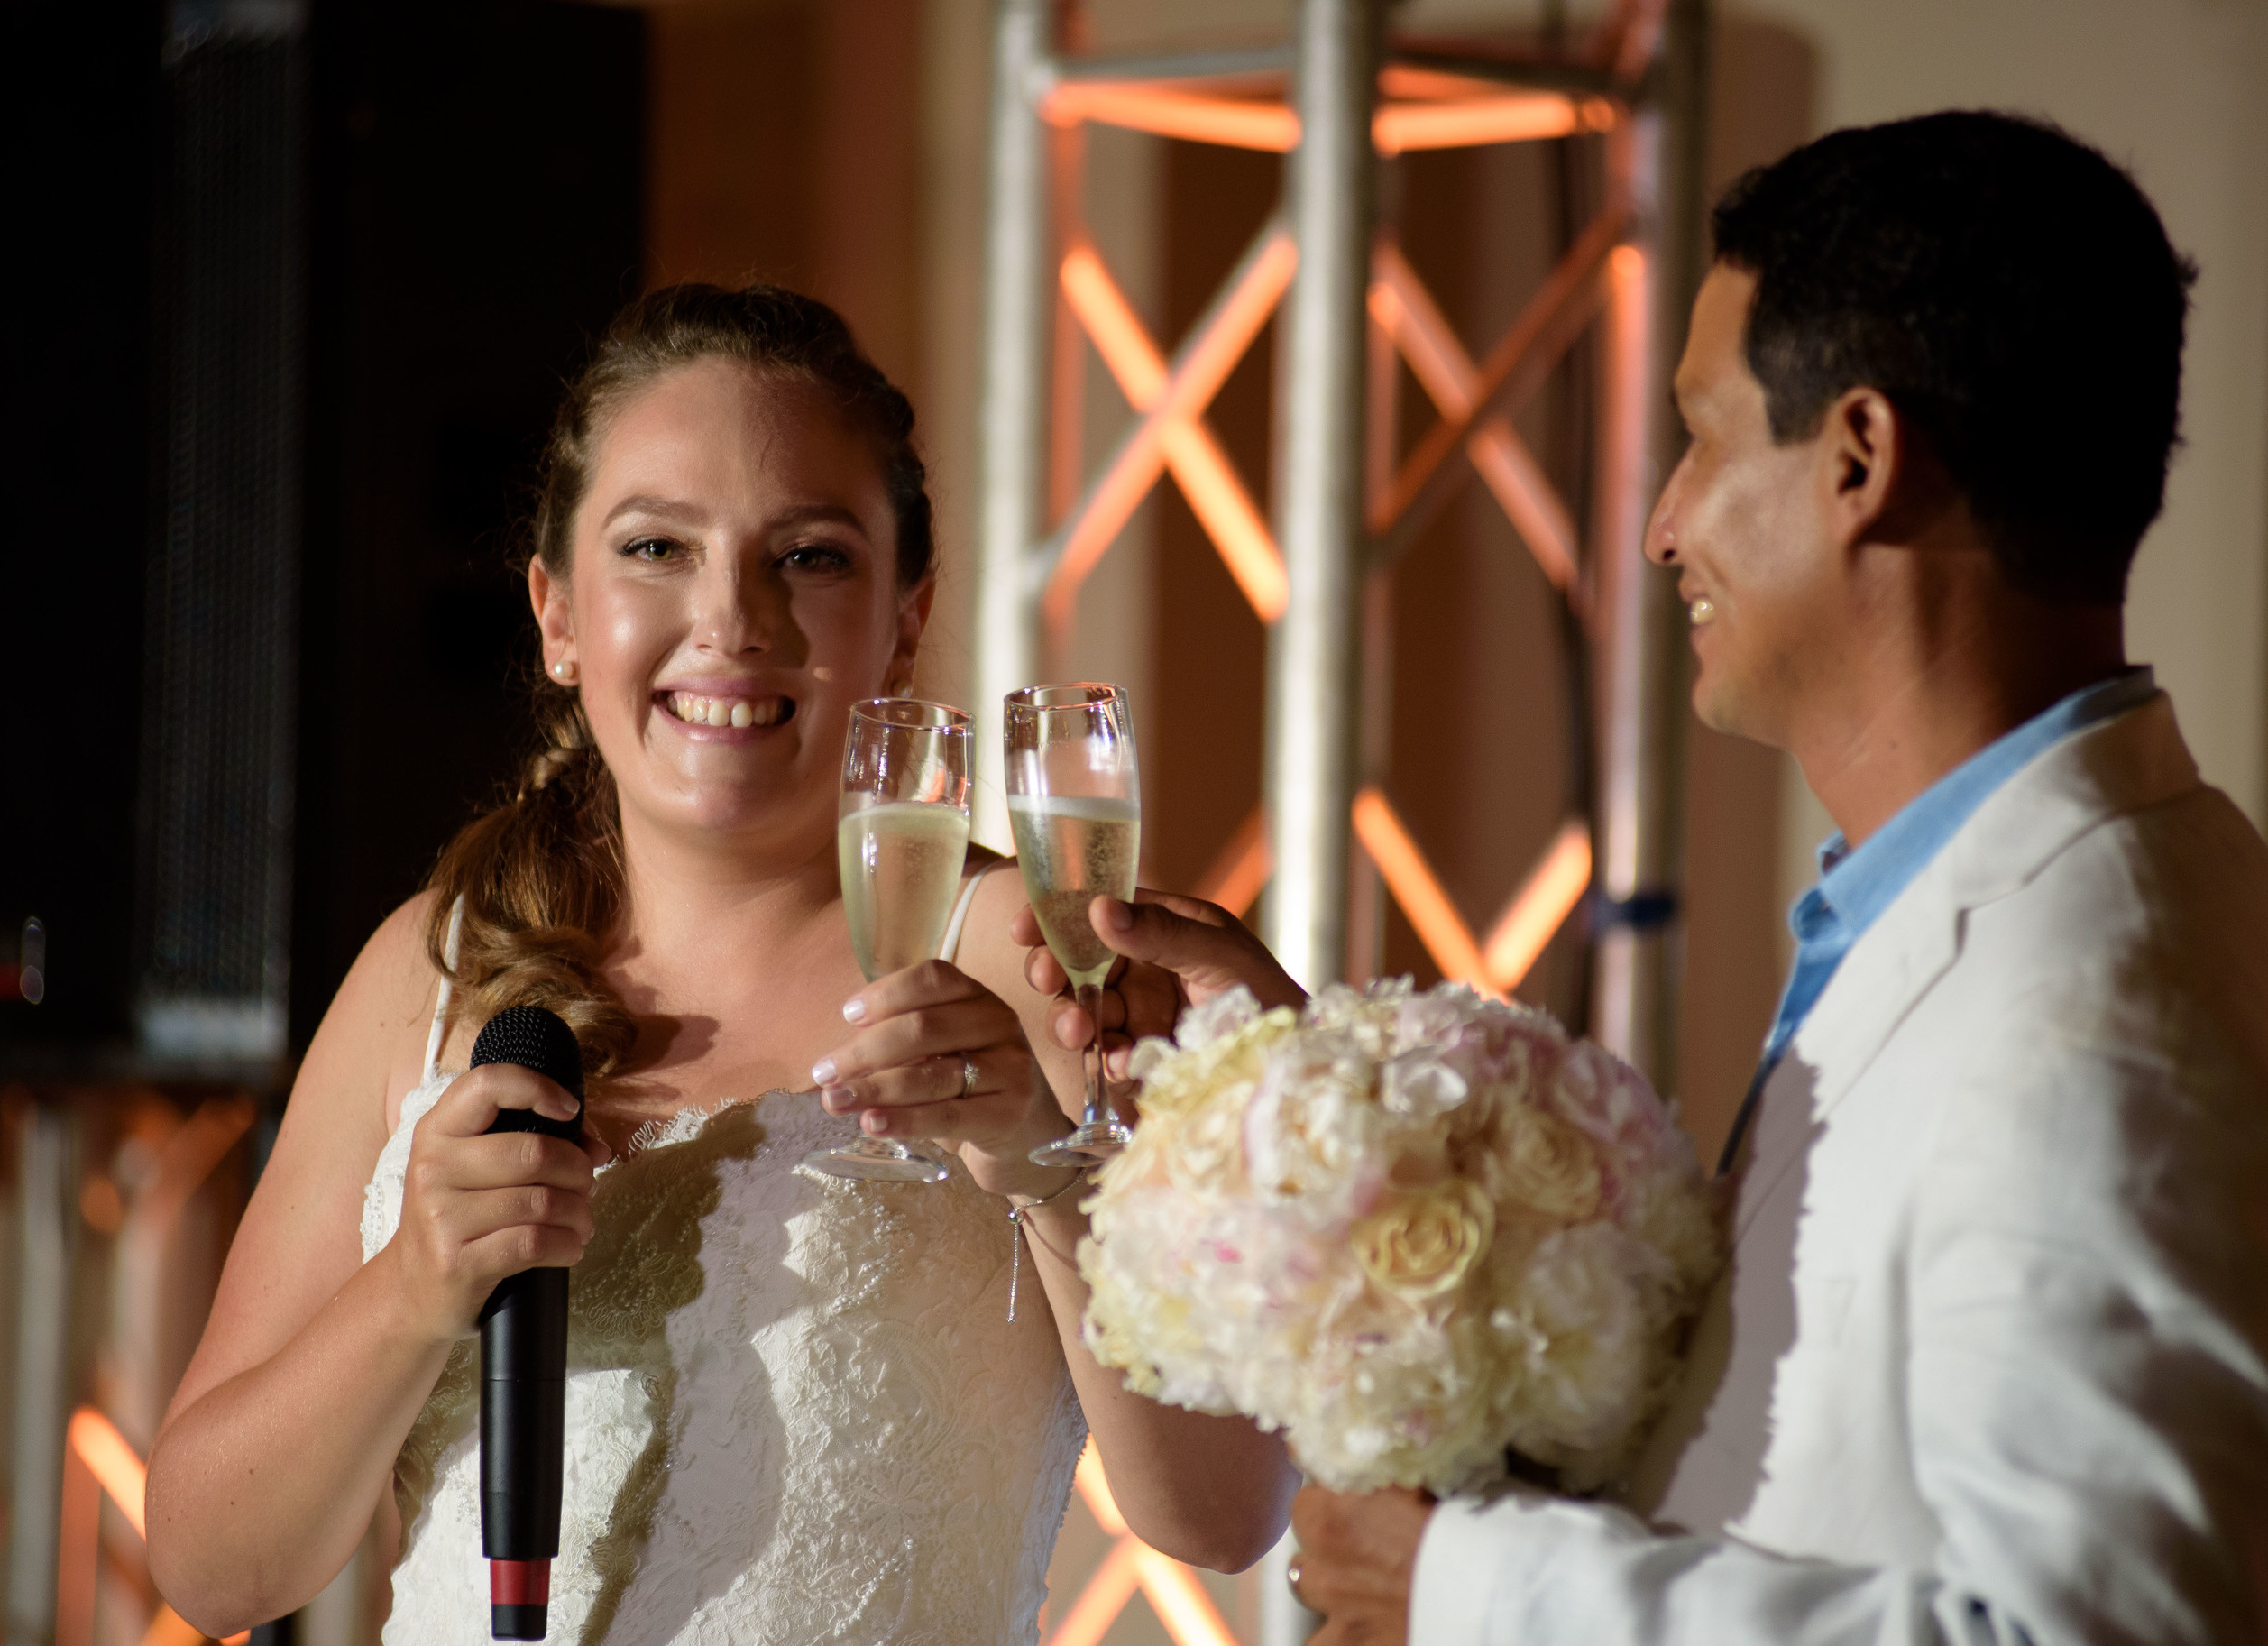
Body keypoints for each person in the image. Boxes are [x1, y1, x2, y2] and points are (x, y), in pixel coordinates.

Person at [1021, 111, 2268, 1644]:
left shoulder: (2094, 1002)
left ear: (1860, 461)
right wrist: (1290, 1093)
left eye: (1702, 433)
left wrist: (1469, 1592)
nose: (1665, 522)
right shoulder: (1981, 906)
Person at [145, 284, 1295, 1643]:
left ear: (906, 616)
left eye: (807, 557)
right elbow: (212, 1570)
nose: (732, 620)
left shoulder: (1039, 964)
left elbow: (1225, 1514)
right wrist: (411, 1287)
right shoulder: (438, 966)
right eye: (655, 549)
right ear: (558, 615)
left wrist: (1044, 1162)